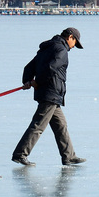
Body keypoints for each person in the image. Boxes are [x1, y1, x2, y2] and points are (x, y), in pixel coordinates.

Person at [12, 27, 86, 166]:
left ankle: (69, 156)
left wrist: (28, 80)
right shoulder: (61, 50)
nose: (74, 46)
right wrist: (36, 82)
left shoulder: (47, 48)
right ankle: (20, 154)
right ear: (70, 37)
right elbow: (51, 68)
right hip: (51, 93)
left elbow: (29, 67)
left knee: (61, 126)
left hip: (49, 93)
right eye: (75, 43)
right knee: (39, 125)